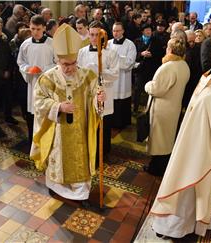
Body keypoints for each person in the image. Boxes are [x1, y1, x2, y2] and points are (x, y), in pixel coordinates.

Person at [150, 31, 211, 239]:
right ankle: (178, 229)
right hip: (198, 153)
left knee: (192, 190)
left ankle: (194, 224)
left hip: (195, 148)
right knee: (190, 190)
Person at [30, 23, 105, 206]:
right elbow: (38, 102)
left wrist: (99, 98)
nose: (70, 68)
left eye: (73, 63)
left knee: (80, 160)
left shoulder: (87, 76)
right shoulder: (48, 78)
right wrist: (58, 107)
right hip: (58, 131)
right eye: (66, 64)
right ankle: (56, 186)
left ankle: (81, 193)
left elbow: (96, 94)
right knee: (59, 161)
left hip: (81, 130)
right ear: (58, 61)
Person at [143, 38, 190, 176]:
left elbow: (157, 89)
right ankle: (161, 165)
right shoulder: (183, 65)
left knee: (160, 140)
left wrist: (148, 84)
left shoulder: (168, 67)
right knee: (167, 139)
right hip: (173, 107)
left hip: (162, 109)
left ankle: (156, 168)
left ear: (169, 50)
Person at [78, 20, 119, 161]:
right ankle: (89, 149)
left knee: (104, 124)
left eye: (97, 35)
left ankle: (104, 151)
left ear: (102, 35)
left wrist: (100, 71)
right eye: (91, 34)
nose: (94, 38)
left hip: (104, 92)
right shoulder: (82, 52)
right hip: (88, 93)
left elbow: (115, 74)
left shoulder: (111, 53)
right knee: (89, 122)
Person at [17, 15, 56, 146]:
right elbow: (20, 62)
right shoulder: (25, 44)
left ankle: (48, 142)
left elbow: (58, 63)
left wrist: (44, 70)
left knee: (47, 114)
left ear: (44, 28)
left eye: (38, 29)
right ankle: (34, 142)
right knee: (33, 114)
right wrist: (28, 68)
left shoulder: (52, 43)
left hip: (48, 85)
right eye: (32, 28)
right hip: (32, 83)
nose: (35, 32)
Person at [107, 22, 136, 129]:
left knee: (122, 100)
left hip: (123, 78)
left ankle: (123, 123)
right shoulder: (108, 43)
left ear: (123, 31)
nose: (115, 33)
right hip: (111, 78)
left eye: (118, 30)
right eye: (114, 31)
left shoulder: (130, 44)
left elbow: (130, 62)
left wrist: (116, 58)